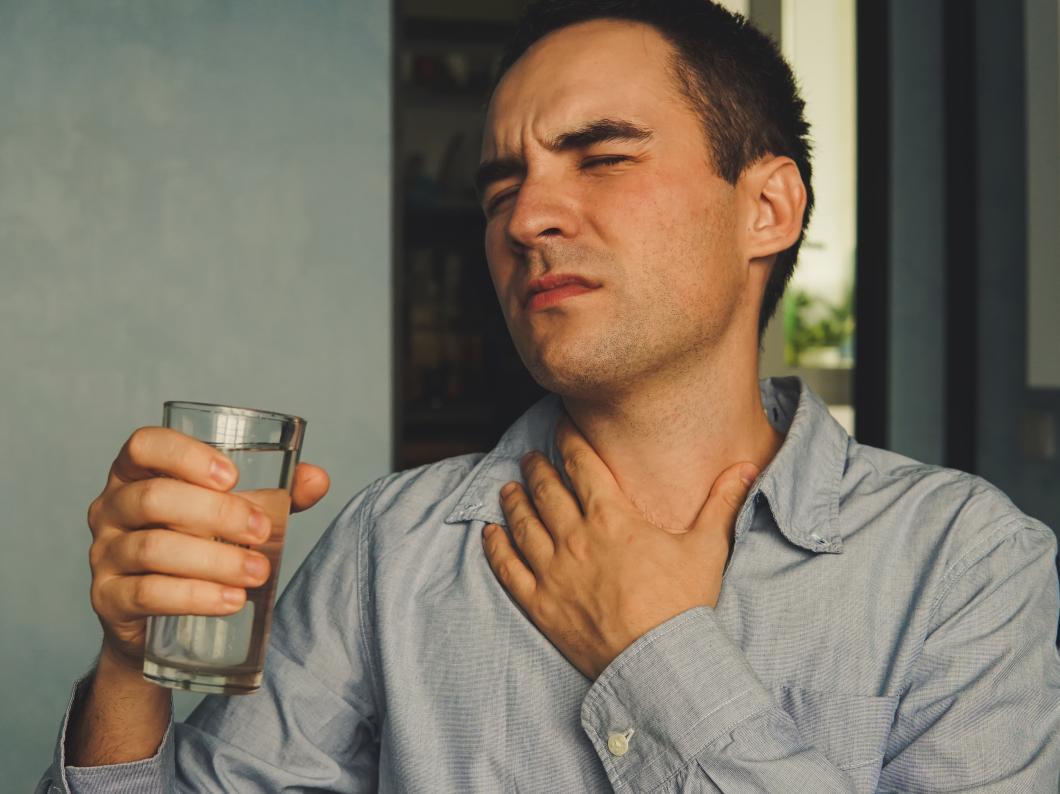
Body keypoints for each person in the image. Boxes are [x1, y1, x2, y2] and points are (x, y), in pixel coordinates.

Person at [39, 1, 1060, 791]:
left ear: (767, 207)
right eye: (500, 189)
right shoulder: (390, 547)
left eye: (602, 159)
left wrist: (655, 653)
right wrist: (130, 669)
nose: (526, 217)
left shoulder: (964, 563)